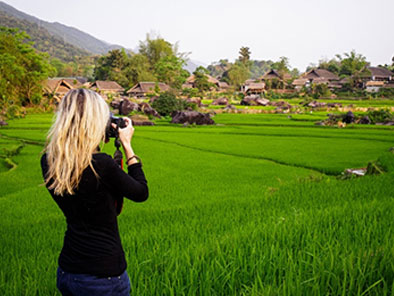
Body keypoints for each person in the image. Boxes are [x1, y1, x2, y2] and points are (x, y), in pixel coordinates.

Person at [40, 88, 148, 296]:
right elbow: (141, 192)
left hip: (68, 271)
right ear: (94, 123)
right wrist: (126, 145)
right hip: (104, 277)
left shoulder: (48, 161)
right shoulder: (103, 165)